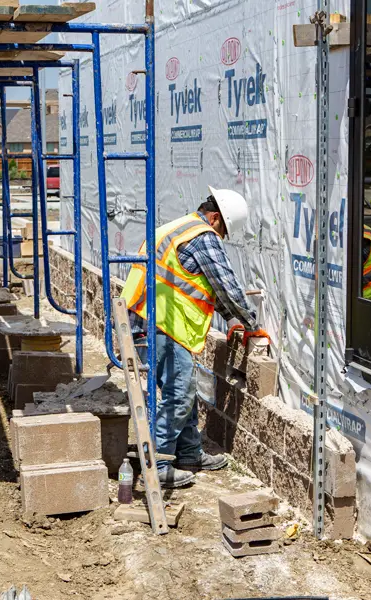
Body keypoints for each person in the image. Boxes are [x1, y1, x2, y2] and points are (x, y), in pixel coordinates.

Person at [121, 186, 269, 488]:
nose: (221, 239)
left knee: (183, 390)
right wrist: (250, 322)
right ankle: (158, 464)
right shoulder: (203, 236)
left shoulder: (181, 229)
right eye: (223, 231)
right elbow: (225, 284)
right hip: (159, 323)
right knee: (179, 393)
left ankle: (189, 453)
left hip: (152, 319)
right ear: (214, 218)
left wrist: (229, 318)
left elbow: (197, 282)